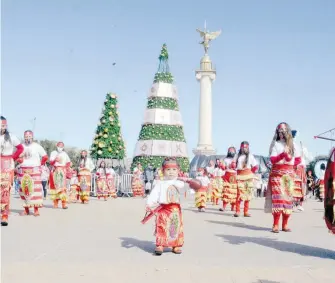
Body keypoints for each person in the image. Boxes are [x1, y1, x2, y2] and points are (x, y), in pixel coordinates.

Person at [142, 158, 187, 255]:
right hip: (163, 209)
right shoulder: (160, 184)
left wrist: (190, 184)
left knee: (175, 227)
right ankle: (160, 244)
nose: (171, 172)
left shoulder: (180, 183)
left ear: (178, 171)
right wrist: (149, 204)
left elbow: (185, 192)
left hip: (175, 209)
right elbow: (154, 194)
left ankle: (176, 245)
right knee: (162, 227)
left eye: (174, 170)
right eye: (168, 169)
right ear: (163, 171)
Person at [265, 122, 301, 233]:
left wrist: (290, 161)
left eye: (283, 132)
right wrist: (283, 155)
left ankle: (285, 224)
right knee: (278, 199)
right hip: (277, 174)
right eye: (279, 132)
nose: (281, 134)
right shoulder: (276, 144)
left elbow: (298, 159)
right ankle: (275, 224)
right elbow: (272, 159)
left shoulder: (294, 145)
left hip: (289, 175)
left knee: (287, 200)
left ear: (287, 132)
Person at [17, 130, 48, 216]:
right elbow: (16, 156)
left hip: (34, 169)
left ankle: (36, 209)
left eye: (29, 137)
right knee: (24, 189)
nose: (27, 139)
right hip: (23, 170)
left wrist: (39, 165)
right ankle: (26, 209)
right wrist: (20, 159)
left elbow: (45, 157)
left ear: (32, 137)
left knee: (35, 190)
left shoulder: (37, 146)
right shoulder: (21, 146)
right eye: (26, 137)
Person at [0, 116, 24, 226]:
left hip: (6, 164)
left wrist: (13, 157)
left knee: (5, 190)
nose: (2, 127)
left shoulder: (11, 137)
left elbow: (20, 148)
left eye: (3, 125)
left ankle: (4, 214)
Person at [233, 141, 258, 217]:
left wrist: (251, 173)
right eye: (242, 147)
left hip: (248, 176)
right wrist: (233, 165)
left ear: (248, 148)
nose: (244, 149)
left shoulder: (250, 156)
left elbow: (255, 166)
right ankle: (237, 211)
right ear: (240, 147)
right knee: (239, 194)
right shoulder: (237, 155)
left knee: (248, 194)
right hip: (240, 176)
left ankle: (246, 211)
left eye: (245, 147)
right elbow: (233, 164)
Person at [49, 142, 71, 209]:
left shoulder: (65, 154)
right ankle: (55, 203)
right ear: (57, 146)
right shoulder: (53, 153)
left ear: (63, 147)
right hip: (55, 170)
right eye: (59, 146)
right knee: (55, 187)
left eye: (61, 146)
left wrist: (65, 168)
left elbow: (68, 162)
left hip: (62, 171)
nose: (60, 147)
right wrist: (55, 160)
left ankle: (64, 204)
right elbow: (50, 162)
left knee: (62, 188)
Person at [221, 146, 238, 212]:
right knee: (226, 191)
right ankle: (224, 207)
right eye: (230, 150)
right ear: (228, 151)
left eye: (233, 150)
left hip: (234, 175)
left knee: (234, 191)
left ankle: (233, 206)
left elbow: (240, 167)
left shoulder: (237, 159)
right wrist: (223, 166)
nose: (231, 152)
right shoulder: (225, 159)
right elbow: (223, 168)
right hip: (227, 175)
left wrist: (234, 166)